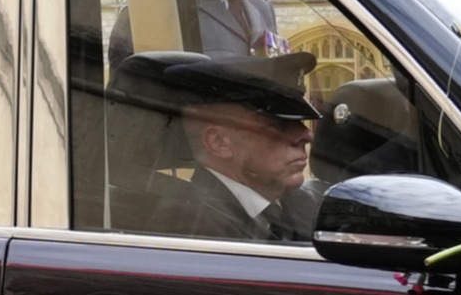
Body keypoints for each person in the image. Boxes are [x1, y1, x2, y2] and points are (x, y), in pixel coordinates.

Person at [117, 50, 326, 243]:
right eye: (278, 125)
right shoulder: (191, 226)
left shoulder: (301, 205)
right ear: (218, 142)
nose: (306, 134)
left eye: (301, 122)